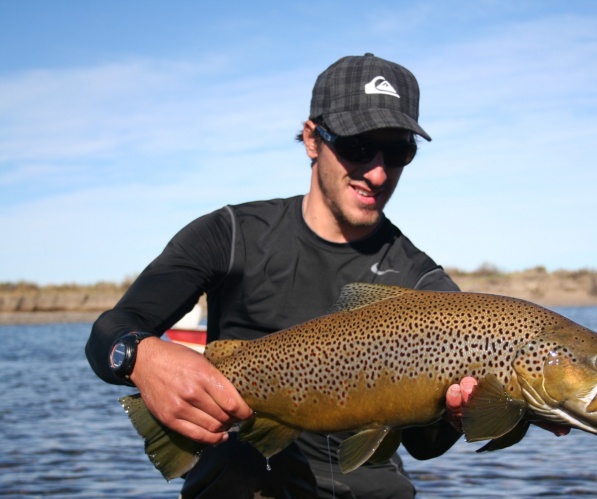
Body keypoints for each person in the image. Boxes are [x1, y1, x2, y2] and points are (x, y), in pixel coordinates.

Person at [85, 53, 476, 498]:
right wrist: (141, 358)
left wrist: (460, 415)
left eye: (399, 150)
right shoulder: (231, 234)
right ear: (312, 139)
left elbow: (425, 447)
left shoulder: (422, 280)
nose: (378, 172)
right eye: (357, 146)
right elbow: (109, 332)